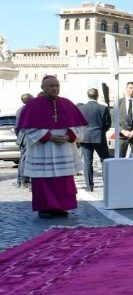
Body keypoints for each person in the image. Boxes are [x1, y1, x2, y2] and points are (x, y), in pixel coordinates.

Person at [16, 76, 87, 218]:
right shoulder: (33, 105)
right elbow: (29, 129)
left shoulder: (67, 103)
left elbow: (78, 127)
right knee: (43, 180)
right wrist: (50, 137)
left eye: (57, 85)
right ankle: (45, 208)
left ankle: (61, 207)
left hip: (63, 149)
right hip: (42, 150)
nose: (55, 88)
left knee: (63, 180)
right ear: (43, 88)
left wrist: (68, 136)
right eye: (51, 86)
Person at [77, 88, 111, 192]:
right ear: (97, 95)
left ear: (88, 96)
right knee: (105, 161)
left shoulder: (81, 108)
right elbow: (107, 124)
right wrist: (101, 131)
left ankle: (89, 186)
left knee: (87, 162)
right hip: (99, 136)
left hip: (85, 137)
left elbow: (78, 123)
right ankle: (107, 183)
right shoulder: (103, 108)